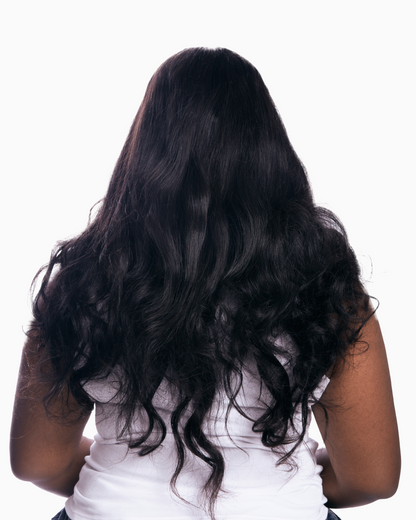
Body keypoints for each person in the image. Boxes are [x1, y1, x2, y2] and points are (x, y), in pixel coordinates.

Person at [10, 48, 400, 520]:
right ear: (269, 152)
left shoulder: (84, 281)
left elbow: (38, 463)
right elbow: (371, 479)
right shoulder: (327, 290)